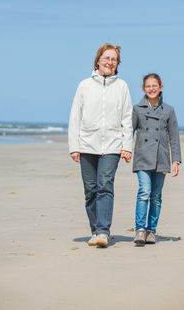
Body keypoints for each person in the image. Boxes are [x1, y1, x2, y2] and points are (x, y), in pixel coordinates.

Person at [68, 43, 133, 248]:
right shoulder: (84, 85)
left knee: (105, 186)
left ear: (117, 64)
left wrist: (127, 145)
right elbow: (75, 117)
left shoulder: (122, 86)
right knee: (90, 189)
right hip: (87, 144)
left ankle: (103, 232)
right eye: (107, 58)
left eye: (114, 59)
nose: (110, 62)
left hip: (113, 146)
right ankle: (95, 230)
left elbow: (128, 118)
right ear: (98, 61)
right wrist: (74, 146)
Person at [132, 73, 181, 245]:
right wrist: (124, 150)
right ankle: (139, 229)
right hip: (142, 156)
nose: (151, 88)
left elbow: (174, 136)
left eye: (154, 85)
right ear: (143, 89)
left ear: (161, 87)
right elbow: (128, 131)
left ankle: (151, 231)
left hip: (161, 157)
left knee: (156, 196)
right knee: (144, 192)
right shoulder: (137, 108)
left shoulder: (169, 110)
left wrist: (176, 160)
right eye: (148, 86)